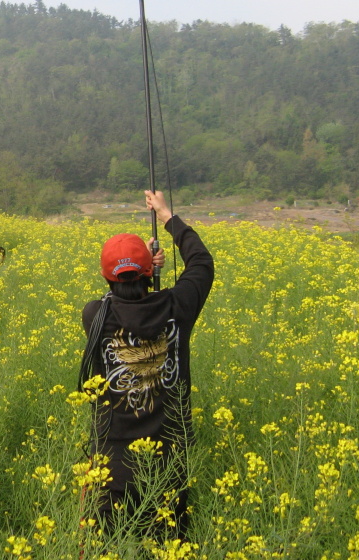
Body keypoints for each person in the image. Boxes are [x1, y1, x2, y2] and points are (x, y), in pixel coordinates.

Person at [80, 189, 213, 539]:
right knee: (169, 545)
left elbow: (120, 298)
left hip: (113, 469)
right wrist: (168, 216)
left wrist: (140, 274)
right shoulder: (178, 307)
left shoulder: (95, 315)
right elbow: (201, 263)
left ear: (106, 278)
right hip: (170, 466)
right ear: (146, 274)